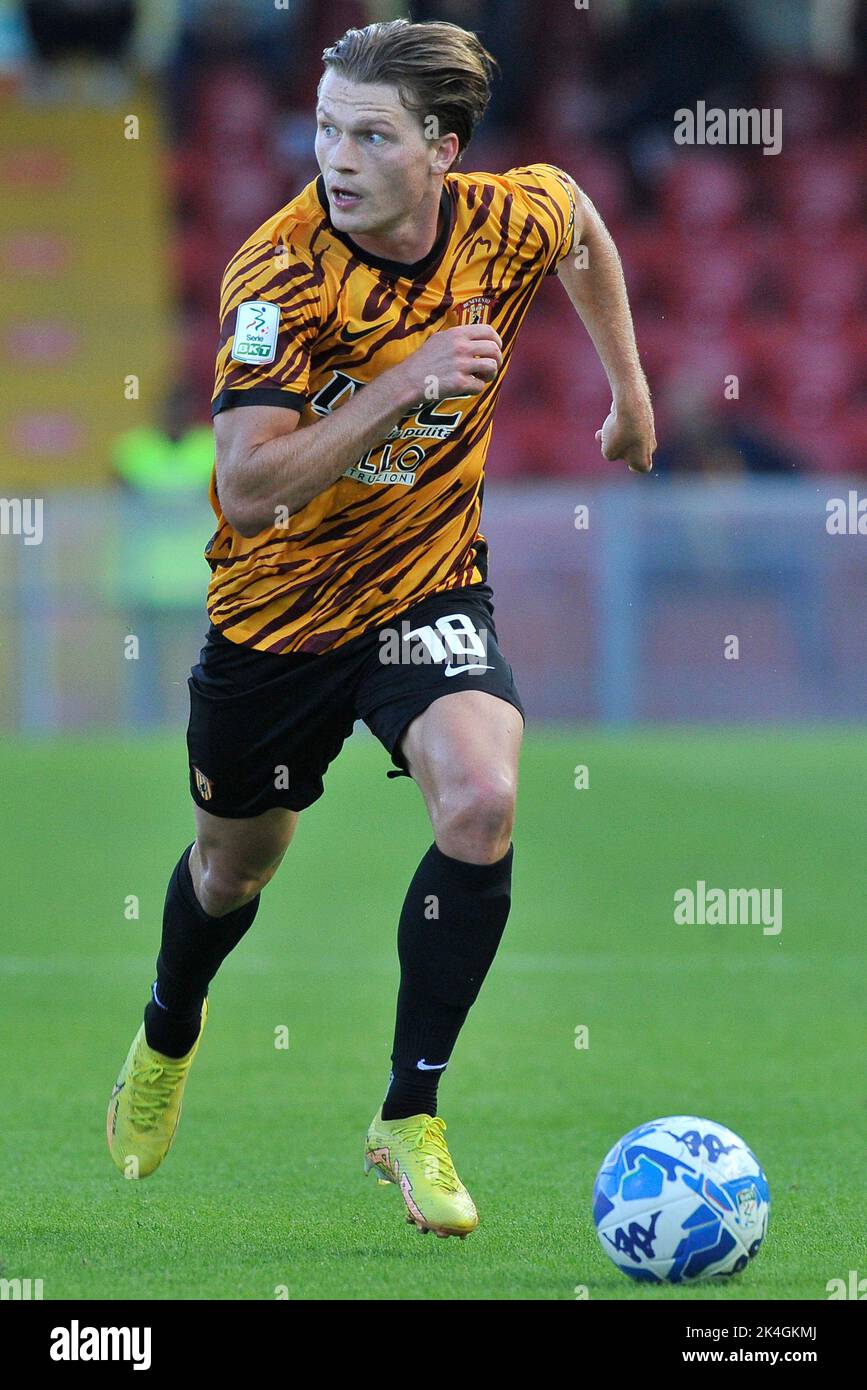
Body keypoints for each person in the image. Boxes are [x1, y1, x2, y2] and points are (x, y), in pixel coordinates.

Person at [107, 17, 655, 1239]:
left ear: (441, 149)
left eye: (368, 133)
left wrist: (629, 391)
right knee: (233, 864)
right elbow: (249, 488)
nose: (333, 157)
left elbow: (580, 228)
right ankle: (165, 1032)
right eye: (323, 127)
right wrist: (402, 378)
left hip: (425, 588)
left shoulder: (504, 218)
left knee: (481, 800)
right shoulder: (280, 273)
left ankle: (409, 1110)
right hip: (278, 621)